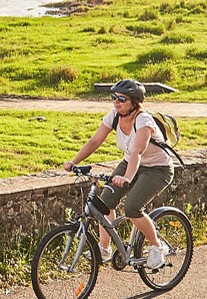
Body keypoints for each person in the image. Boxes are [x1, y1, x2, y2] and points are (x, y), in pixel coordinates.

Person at [61, 79, 173, 269]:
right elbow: (95, 140)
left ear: (134, 103)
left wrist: (127, 178)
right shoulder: (114, 116)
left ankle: (156, 246)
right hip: (130, 163)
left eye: (121, 99)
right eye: (114, 97)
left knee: (132, 208)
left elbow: (138, 151)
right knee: (103, 205)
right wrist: (74, 162)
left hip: (157, 169)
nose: (116, 102)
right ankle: (104, 249)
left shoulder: (144, 121)